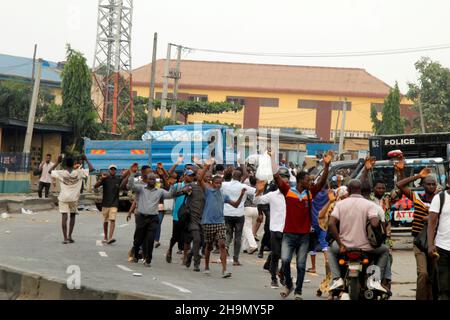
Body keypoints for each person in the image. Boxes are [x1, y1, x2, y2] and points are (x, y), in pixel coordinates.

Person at [273, 150, 332, 300]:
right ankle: (289, 284)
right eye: (308, 180)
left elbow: (322, 181)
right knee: (285, 260)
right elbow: (276, 177)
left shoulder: (310, 192)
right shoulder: (288, 191)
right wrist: (271, 158)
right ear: (300, 181)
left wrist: (327, 166)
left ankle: (298, 291)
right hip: (289, 234)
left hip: (304, 235)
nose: (311, 182)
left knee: (300, 265)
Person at [328, 179, 389, 293]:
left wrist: (340, 244)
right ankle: (375, 280)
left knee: (330, 250)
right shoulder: (370, 205)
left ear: (349, 190)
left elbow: (331, 223)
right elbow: (375, 223)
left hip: (344, 246)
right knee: (385, 250)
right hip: (366, 248)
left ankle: (337, 279)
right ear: (360, 190)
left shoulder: (340, 204)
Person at [127, 167, 187, 267]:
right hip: (141, 217)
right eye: (150, 179)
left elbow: (170, 195)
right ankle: (136, 255)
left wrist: (172, 186)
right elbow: (130, 186)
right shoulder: (141, 189)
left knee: (150, 240)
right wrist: (132, 174)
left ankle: (148, 260)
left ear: (156, 181)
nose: (152, 181)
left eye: (154, 179)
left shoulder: (160, 191)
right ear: (147, 180)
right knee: (138, 239)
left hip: (153, 218)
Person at [199, 159, 247, 278]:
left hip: (220, 222)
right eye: (216, 183)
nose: (218, 185)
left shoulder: (223, 195)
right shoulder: (208, 191)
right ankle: (206, 266)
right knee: (209, 246)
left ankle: (224, 270)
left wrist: (241, 194)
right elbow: (200, 179)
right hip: (208, 222)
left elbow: (235, 205)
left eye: (220, 183)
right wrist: (206, 166)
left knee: (222, 244)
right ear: (212, 183)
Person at [397, 167, 438, 300]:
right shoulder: (416, 197)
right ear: (423, 185)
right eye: (428, 183)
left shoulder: (441, 200)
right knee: (423, 274)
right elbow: (399, 185)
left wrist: (430, 218)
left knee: (434, 276)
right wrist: (418, 176)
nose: (431, 186)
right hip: (419, 242)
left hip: (437, 243)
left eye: (433, 184)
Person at [254, 168, 287, 288]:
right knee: (275, 254)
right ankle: (274, 278)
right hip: (275, 229)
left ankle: (282, 274)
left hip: (288, 230)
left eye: (287, 182)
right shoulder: (272, 195)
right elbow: (256, 201)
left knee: (286, 257)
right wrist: (259, 191)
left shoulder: (292, 195)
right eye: (283, 181)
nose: (285, 184)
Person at [49, 154, 94, 244]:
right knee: (72, 216)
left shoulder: (62, 172)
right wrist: (86, 159)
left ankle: (65, 238)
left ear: (65, 164)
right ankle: (70, 236)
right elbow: (92, 169)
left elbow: (50, 171)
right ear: (73, 163)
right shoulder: (79, 172)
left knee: (64, 217)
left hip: (63, 198)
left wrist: (58, 162)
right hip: (73, 198)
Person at [222, 165, 256, 266]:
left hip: (227, 213)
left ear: (232, 176)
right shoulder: (244, 187)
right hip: (239, 214)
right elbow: (256, 191)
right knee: (238, 236)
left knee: (228, 233)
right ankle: (236, 259)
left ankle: (227, 246)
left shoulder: (224, 185)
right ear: (241, 178)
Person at [94, 164, 127, 244]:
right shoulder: (105, 179)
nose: (113, 170)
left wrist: (127, 175)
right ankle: (105, 237)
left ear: (116, 171)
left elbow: (123, 185)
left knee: (112, 220)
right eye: (111, 169)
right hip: (105, 203)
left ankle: (110, 237)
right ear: (109, 170)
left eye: (114, 169)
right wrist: (101, 178)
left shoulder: (118, 179)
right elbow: (96, 186)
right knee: (105, 221)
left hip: (114, 203)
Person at [428, 188, 450, 300]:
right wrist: (431, 244)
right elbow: (431, 222)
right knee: (444, 287)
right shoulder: (440, 198)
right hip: (443, 248)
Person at [182, 168, 206, 272]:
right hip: (193, 219)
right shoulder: (192, 186)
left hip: (205, 219)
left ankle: (191, 254)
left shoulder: (208, 188)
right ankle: (196, 264)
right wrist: (184, 190)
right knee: (196, 240)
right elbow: (184, 190)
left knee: (203, 242)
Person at [242, 175, 259, 255]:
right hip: (256, 209)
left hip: (247, 209)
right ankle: (245, 247)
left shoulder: (247, 189)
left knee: (247, 228)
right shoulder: (258, 190)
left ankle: (253, 245)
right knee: (250, 228)